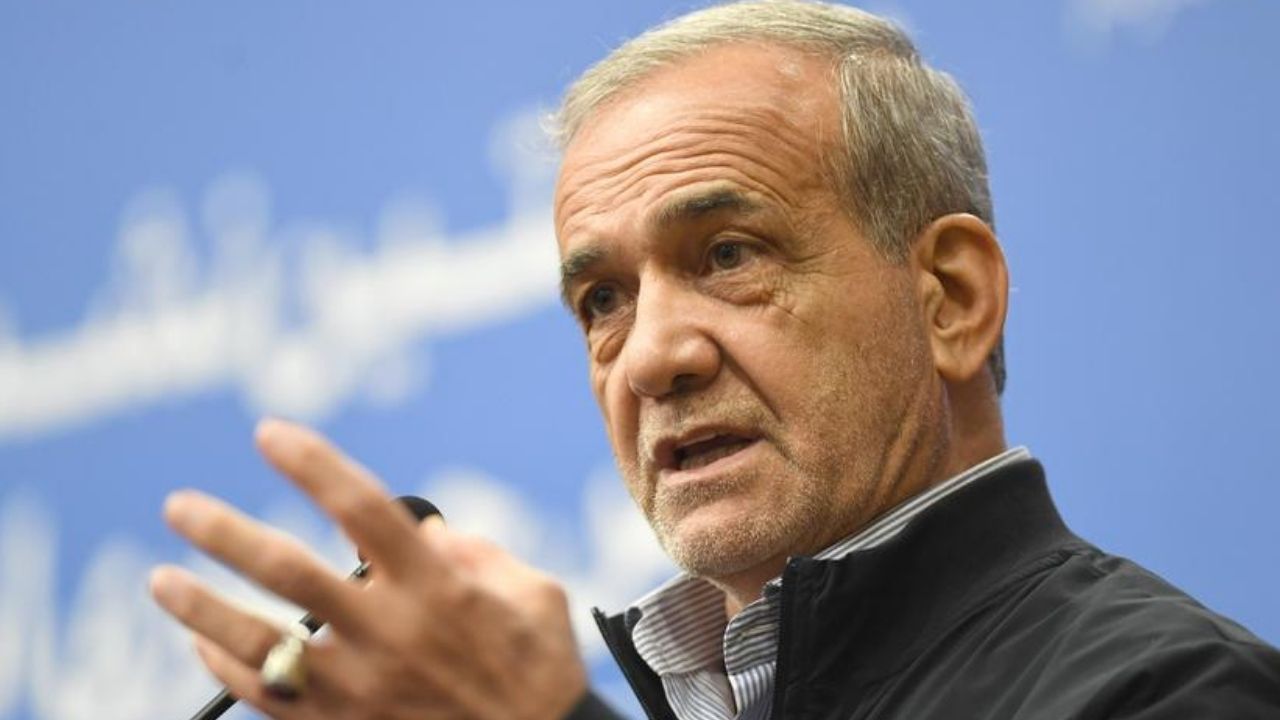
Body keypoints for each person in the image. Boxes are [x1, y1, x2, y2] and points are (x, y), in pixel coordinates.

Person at [149, 1, 1280, 718]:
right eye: (602, 300)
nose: (650, 357)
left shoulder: (1168, 691)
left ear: (951, 298)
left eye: (729, 254)